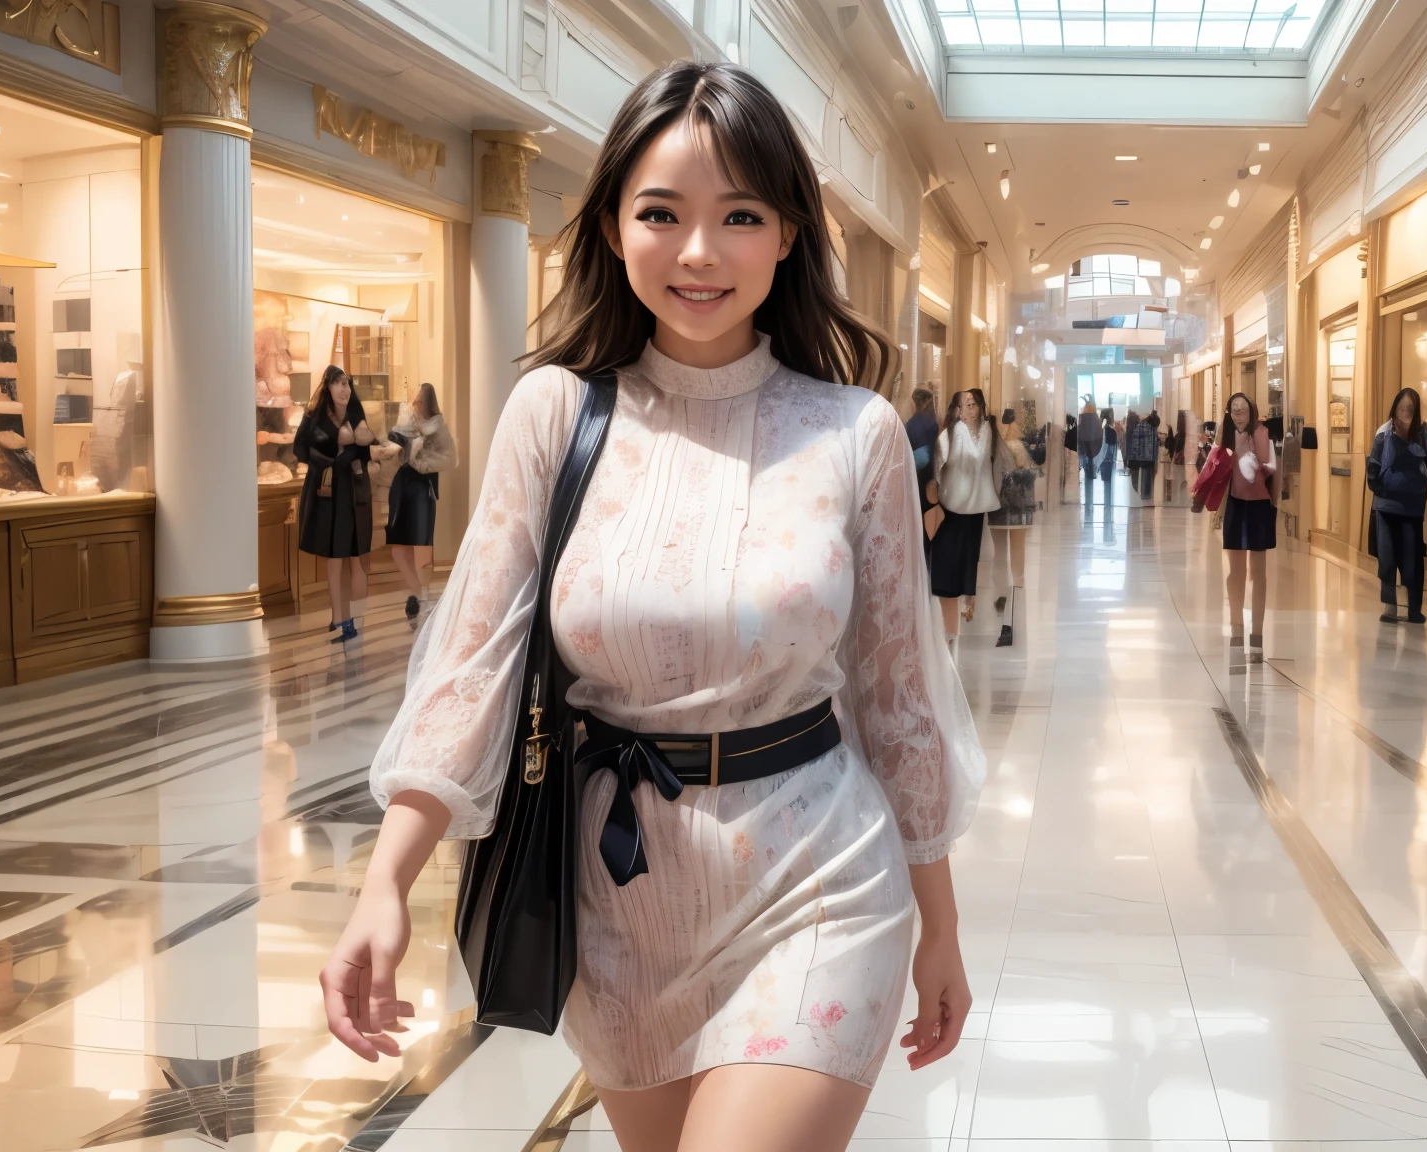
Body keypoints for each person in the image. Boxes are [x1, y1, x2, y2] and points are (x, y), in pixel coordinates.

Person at [320, 62, 985, 1152]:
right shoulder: (552, 413)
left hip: (817, 876)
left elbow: (899, 697)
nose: (697, 253)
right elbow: (471, 666)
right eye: (660, 213)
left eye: (739, 216)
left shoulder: (851, 431)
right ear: (613, 226)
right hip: (616, 896)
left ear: (785, 236)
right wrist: (384, 883)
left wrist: (939, 926)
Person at [294, 365, 374, 642]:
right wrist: (330, 455)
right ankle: (339, 618)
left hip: (353, 492)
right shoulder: (315, 414)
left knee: (356, 557)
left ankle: (354, 620)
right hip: (328, 493)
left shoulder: (356, 412)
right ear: (327, 387)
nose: (344, 389)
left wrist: (357, 439)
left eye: (348, 384)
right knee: (334, 557)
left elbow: (368, 446)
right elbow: (300, 448)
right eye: (339, 384)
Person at [1366, 387, 1427, 625]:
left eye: (1410, 409)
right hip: (1386, 507)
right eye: (1402, 408)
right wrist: (1381, 490)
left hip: (1413, 507)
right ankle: (1390, 607)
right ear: (1394, 409)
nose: (1405, 412)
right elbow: (1373, 466)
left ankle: (1414, 609)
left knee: (1413, 558)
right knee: (1388, 558)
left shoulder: (1422, 433)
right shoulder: (1384, 432)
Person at [382, 383, 455, 619]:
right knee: (398, 547)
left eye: (420, 401)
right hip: (401, 488)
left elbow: (450, 458)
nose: (416, 405)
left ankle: (419, 596)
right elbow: (392, 451)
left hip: (422, 490)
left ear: (429, 403)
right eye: (415, 401)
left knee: (421, 545)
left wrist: (423, 463)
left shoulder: (437, 427)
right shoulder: (405, 424)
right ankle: (416, 593)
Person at [933, 387, 1001, 642]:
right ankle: (954, 608)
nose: (971, 409)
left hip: (977, 503)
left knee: (971, 554)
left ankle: (967, 598)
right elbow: (938, 462)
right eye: (966, 405)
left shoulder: (986, 431)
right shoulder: (954, 433)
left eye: (974, 404)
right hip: (954, 502)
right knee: (954, 554)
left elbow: (986, 461)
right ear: (957, 409)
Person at [1219, 392, 1276, 649]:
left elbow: (1275, 470)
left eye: (1242, 410)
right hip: (1235, 505)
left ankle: (1258, 630)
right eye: (1234, 410)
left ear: (1252, 411)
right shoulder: (1226, 438)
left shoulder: (1264, 436)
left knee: (1259, 572)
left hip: (1259, 507)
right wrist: (1218, 511)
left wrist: (1275, 504)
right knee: (1236, 570)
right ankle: (1236, 626)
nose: (1238, 415)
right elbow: (1218, 475)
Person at [988, 408, 1036, 646]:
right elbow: (1025, 470)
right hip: (1017, 507)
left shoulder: (996, 446)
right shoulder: (1018, 446)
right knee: (1018, 551)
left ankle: (1000, 594)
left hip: (997, 505)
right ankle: (1017, 586)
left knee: (999, 553)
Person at [905, 386, 938, 501]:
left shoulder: (910, 423)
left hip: (916, 474)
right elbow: (927, 456)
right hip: (927, 473)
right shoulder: (930, 423)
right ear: (925, 401)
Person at [1125, 409, 1160, 504]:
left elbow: (1137, 442)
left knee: (1144, 478)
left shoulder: (1146, 426)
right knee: (1148, 478)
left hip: (1144, 456)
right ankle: (1146, 497)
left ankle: (1142, 496)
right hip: (1148, 457)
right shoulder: (1149, 427)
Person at [1076, 400, 1103, 506]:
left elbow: (1078, 435)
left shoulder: (1081, 420)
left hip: (1083, 448)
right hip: (1095, 448)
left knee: (1086, 473)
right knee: (1091, 471)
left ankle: (1087, 500)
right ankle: (1091, 499)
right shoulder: (1096, 421)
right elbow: (1100, 435)